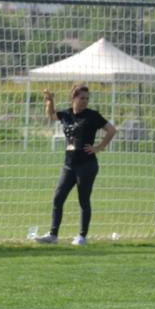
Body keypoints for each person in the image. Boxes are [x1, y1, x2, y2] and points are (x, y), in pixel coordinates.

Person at [36, 84, 116, 245]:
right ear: (73, 98)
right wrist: (50, 101)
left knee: (83, 200)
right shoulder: (66, 114)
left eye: (87, 98)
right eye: (82, 98)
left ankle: (82, 236)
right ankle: (53, 235)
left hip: (87, 165)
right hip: (69, 165)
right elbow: (51, 115)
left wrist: (98, 147)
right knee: (58, 198)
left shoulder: (92, 116)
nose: (85, 101)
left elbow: (111, 130)